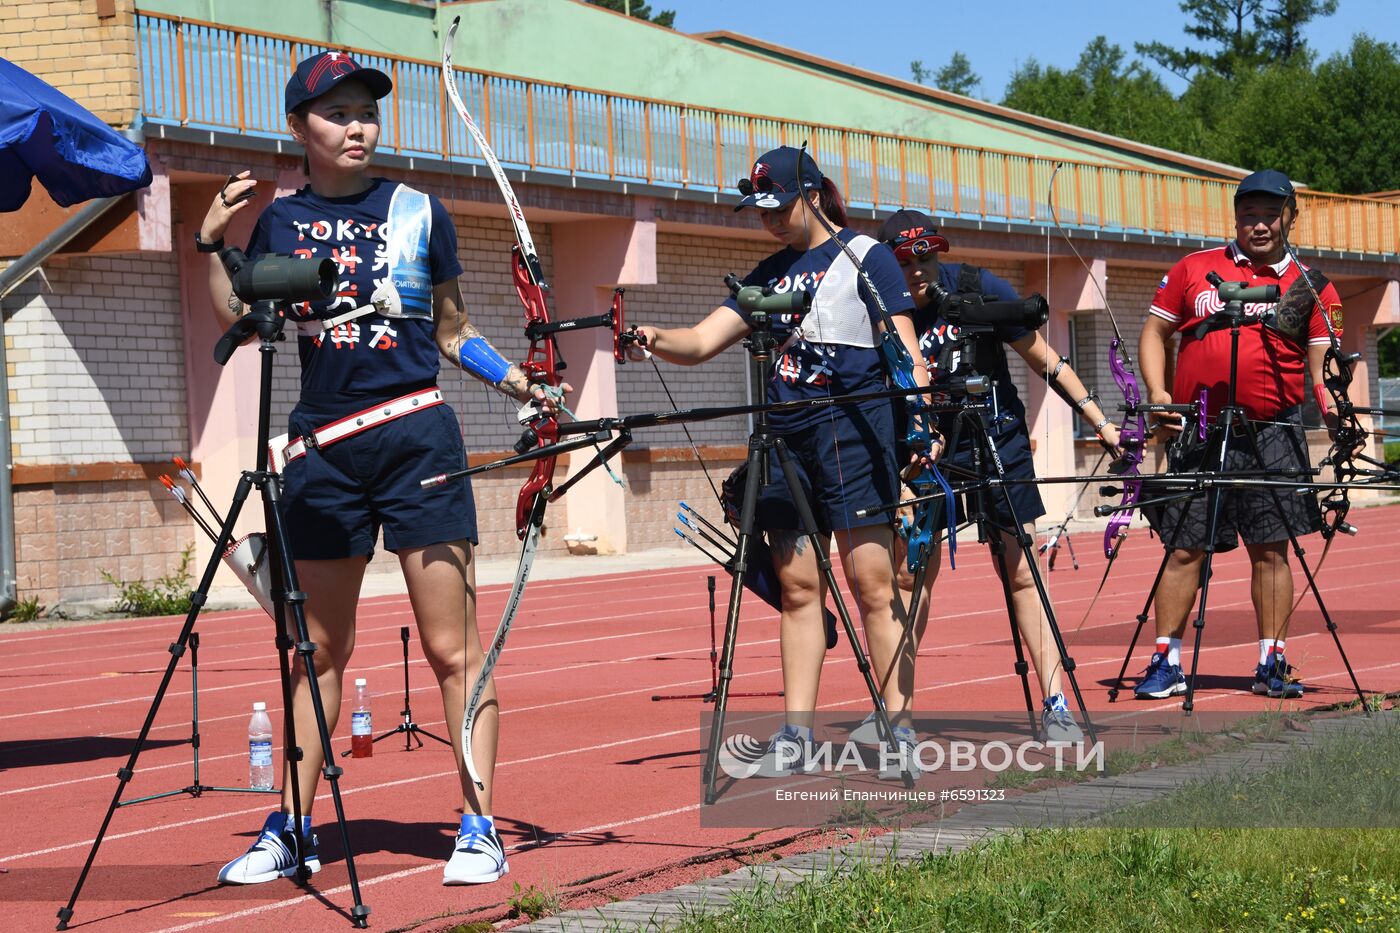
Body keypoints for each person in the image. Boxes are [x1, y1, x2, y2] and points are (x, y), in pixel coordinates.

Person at [198, 51, 559, 887]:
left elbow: (450, 329)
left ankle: (478, 824)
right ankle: (289, 825)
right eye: (335, 112)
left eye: (366, 110)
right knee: (313, 649)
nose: (356, 124)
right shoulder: (280, 221)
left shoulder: (418, 211)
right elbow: (242, 317)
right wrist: (211, 241)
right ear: (300, 127)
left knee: (451, 647)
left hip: (415, 440)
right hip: (322, 449)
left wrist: (520, 381)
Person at [628, 147, 934, 778]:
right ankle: (796, 738)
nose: (768, 221)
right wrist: (653, 339)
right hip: (786, 439)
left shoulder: (866, 256)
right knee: (798, 590)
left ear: (812, 195)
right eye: (758, 212)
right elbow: (703, 340)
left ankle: (898, 728)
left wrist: (920, 424)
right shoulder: (767, 272)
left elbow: (904, 346)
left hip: (852, 434)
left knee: (873, 585)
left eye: (778, 207)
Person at [873, 210, 1119, 744]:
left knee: (1023, 569)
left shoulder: (976, 286)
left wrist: (1101, 422)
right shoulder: (877, 307)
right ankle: (894, 713)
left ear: (938, 254)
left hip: (997, 440)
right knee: (909, 578)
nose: (916, 271)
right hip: (925, 454)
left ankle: (1056, 705)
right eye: (901, 261)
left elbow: (1043, 359)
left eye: (924, 257)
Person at [1134, 169, 1342, 701]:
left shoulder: (1312, 286)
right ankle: (1165, 662)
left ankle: (1271, 662)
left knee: (1271, 551)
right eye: (1248, 213)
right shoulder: (1194, 268)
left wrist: (1336, 412)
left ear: (1290, 216)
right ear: (1235, 217)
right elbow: (1155, 332)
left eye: (1270, 213)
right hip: (1198, 431)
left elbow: (1324, 371)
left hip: (1273, 432)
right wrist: (1159, 396)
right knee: (1184, 548)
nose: (1259, 223)